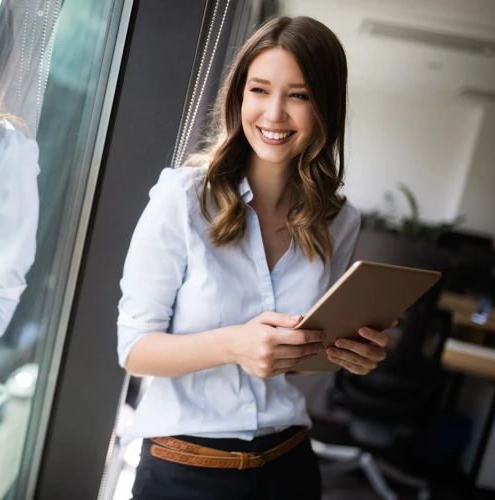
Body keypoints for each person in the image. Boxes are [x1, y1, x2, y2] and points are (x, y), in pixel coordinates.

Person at [117, 16, 392, 500]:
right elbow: (135, 350)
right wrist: (233, 346)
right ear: (239, 96)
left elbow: (307, 353)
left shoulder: (340, 220)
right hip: (185, 471)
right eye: (260, 90)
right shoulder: (181, 200)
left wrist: (351, 355)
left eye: (299, 95)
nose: (274, 113)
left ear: (326, 105)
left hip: (290, 468)